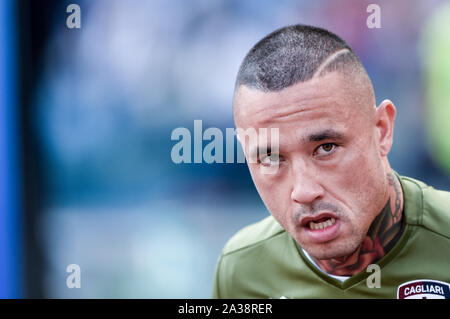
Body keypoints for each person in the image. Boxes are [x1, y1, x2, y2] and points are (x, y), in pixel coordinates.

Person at [212, 25, 450, 299]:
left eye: (326, 148)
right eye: (271, 158)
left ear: (381, 130)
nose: (303, 191)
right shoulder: (241, 271)